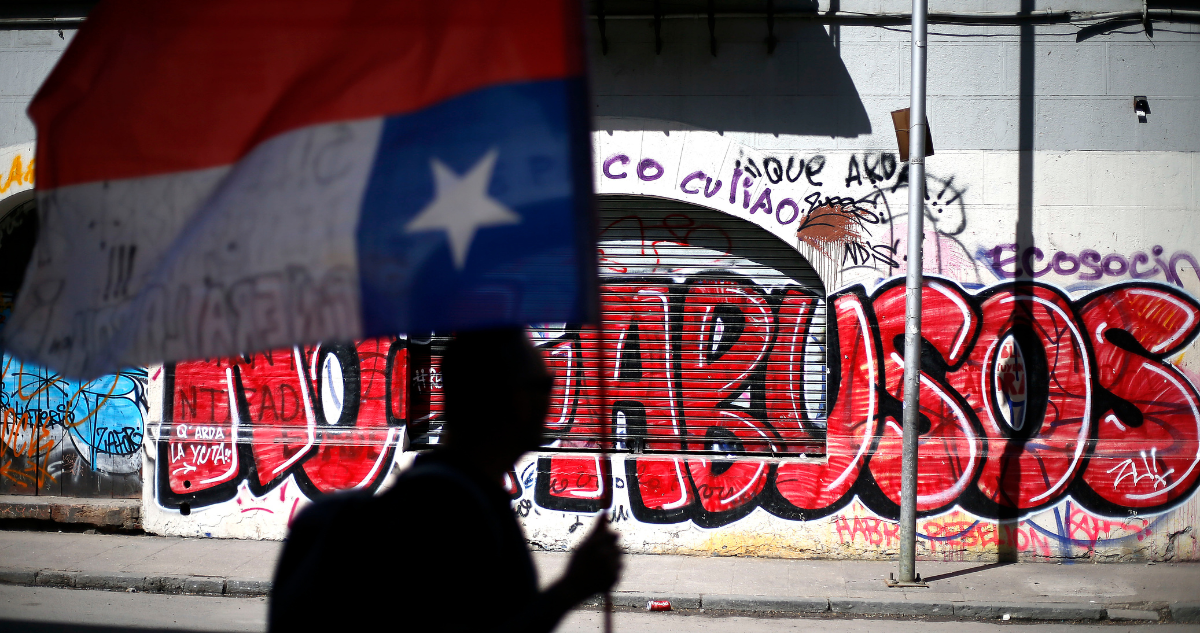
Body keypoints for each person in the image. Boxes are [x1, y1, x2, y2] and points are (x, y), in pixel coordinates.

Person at [268, 328, 622, 633]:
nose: (555, 396)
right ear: (515, 400)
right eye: (544, 384)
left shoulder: (456, 497)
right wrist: (569, 591)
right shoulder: (446, 516)